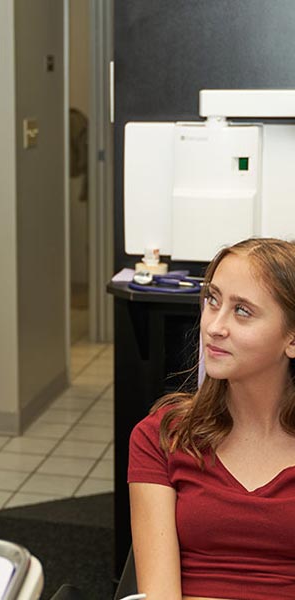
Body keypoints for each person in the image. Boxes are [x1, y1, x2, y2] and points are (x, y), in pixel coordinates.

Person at [128, 238, 295, 600]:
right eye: (212, 300)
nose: (214, 327)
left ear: (292, 338)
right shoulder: (161, 436)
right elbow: (159, 595)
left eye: (243, 311)